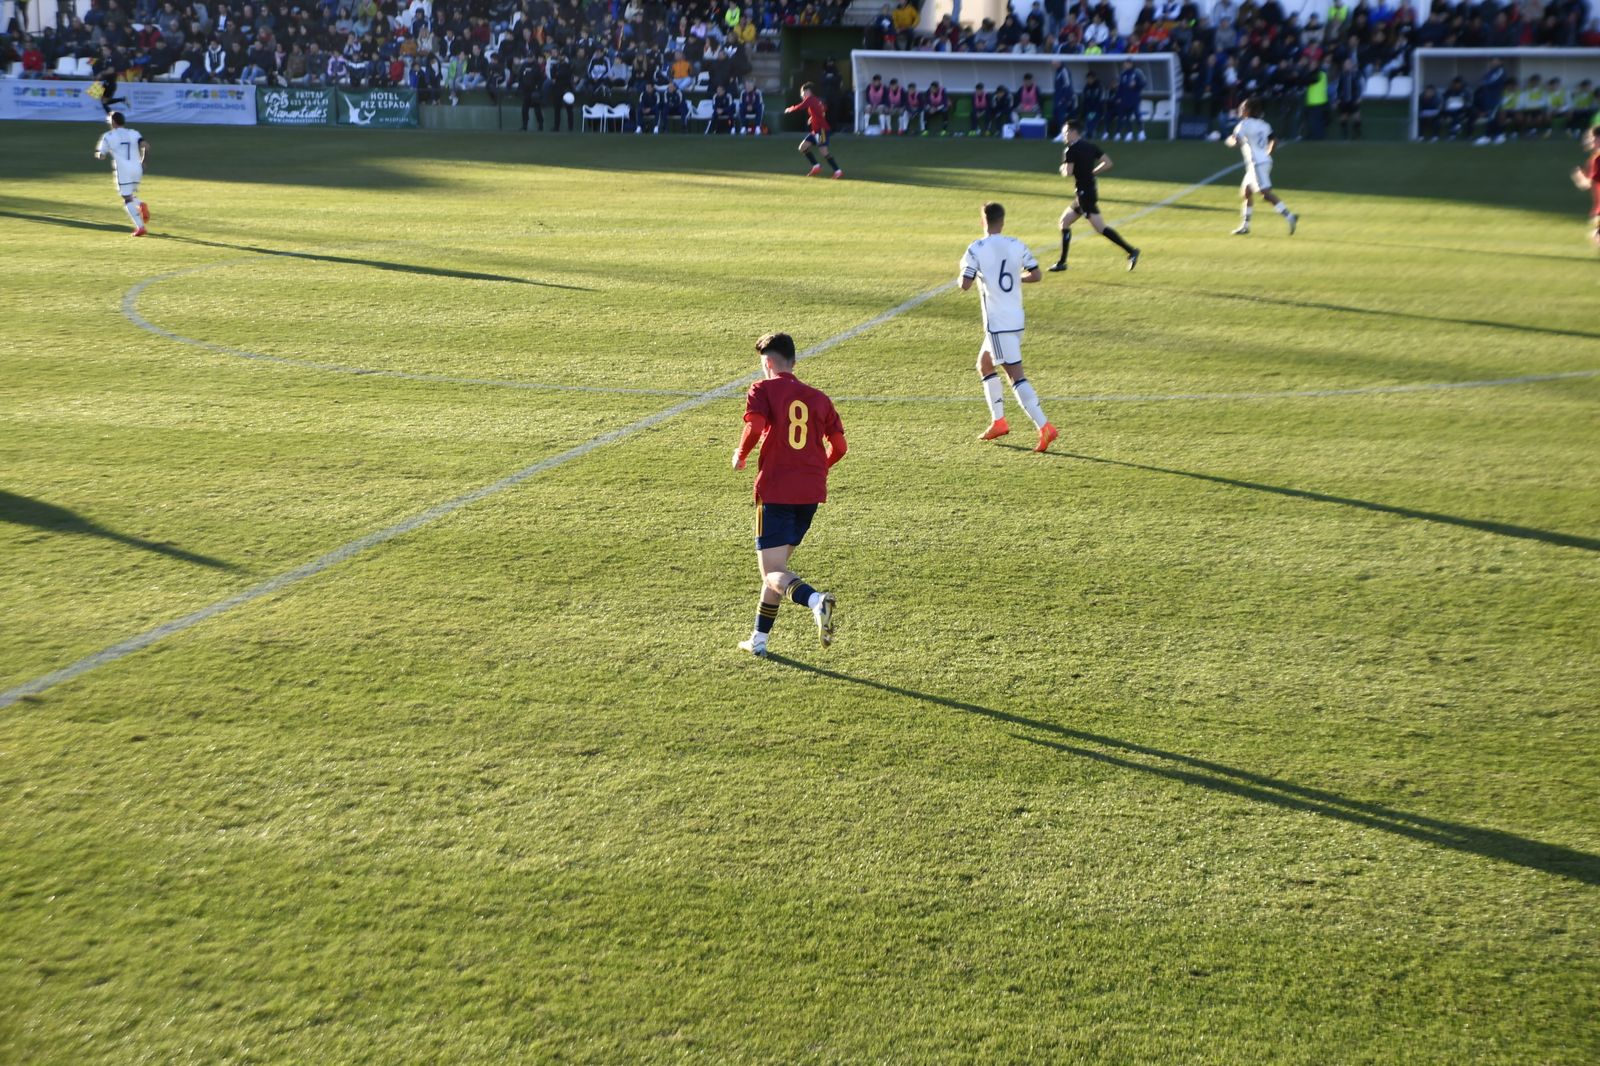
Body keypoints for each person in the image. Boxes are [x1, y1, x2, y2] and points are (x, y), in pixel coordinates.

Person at [731, 331, 845, 657]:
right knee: (777, 570)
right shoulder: (820, 398)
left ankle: (816, 600)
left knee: (772, 573)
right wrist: (817, 469)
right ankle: (758, 640)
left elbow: (754, 426)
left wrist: (741, 454)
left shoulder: (762, 389)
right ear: (794, 362)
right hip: (809, 494)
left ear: (767, 363)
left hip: (776, 490)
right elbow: (839, 447)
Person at [961, 202, 1056, 452]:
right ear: (1002, 221)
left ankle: (1044, 426)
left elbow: (965, 284)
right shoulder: (1016, 244)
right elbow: (1036, 274)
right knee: (984, 363)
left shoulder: (976, 248)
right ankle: (999, 421)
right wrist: (1016, 277)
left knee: (1015, 375)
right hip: (1015, 318)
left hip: (998, 323)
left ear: (983, 221)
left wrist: (964, 276)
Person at [1050, 119, 1140, 271]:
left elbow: (1068, 172)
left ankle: (1131, 251)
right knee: (1064, 222)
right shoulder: (1090, 146)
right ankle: (1062, 262)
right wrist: (1092, 172)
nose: (1064, 136)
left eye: (1065, 133)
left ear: (1073, 132)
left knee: (1100, 228)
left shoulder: (1070, 150)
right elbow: (1108, 162)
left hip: (1084, 195)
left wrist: (1062, 168)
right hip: (1087, 192)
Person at [1226, 96, 1298, 236]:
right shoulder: (1264, 124)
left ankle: (1290, 216)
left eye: (1242, 107)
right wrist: (1267, 154)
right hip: (1263, 161)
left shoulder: (1243, 125)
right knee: (1246, 192)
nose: (1240, 109)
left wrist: (1228, 140)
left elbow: (1236, 142)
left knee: (1265, 193)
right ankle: (1245, 226)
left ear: (1248, 110)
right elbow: (1274, 140)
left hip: (1256, 164)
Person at [93, 111, 149, 237]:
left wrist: (99, 155)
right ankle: (140, 204)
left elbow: (101, 155)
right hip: (137, 168)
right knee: (129, 194)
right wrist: (144, 161)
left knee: (126, 198)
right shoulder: (134, 133)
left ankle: (140, 225)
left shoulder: (108, 136)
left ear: (113, 122)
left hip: (123, 170)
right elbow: (145, 146)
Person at [785, 81, 841, 178]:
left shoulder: (810, 99)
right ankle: (816, 166)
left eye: (803, 92)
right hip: (815, 131)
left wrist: (790, 109)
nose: (802, 95)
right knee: (802, 147)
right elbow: (823, 109)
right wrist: (812, 117)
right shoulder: (816, 100)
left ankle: (838, 171)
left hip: (822, 130)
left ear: (808, 91)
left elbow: (801, 106)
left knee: (823, 151)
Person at [1571, 127, 1600, 249]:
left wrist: (1577, 176)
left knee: (1597, 238)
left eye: (1593, 139)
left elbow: (1585, 184)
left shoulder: (1594, 160)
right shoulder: (1594, 160)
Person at [1115, 59, 1147, 141]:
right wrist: (1118, 97)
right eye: (1124, 64)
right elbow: (1120, 87)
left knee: (1137, 115)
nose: (1125, 65)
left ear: (1131, 64)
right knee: (1126, 117)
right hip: (1125, 99)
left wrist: (1136, 85)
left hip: (1135, 98)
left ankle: (1141, 132)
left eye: (1126, 64)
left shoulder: (1137, 72)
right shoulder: (1123, 74)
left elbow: (1143, 83)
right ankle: (1129, 133)